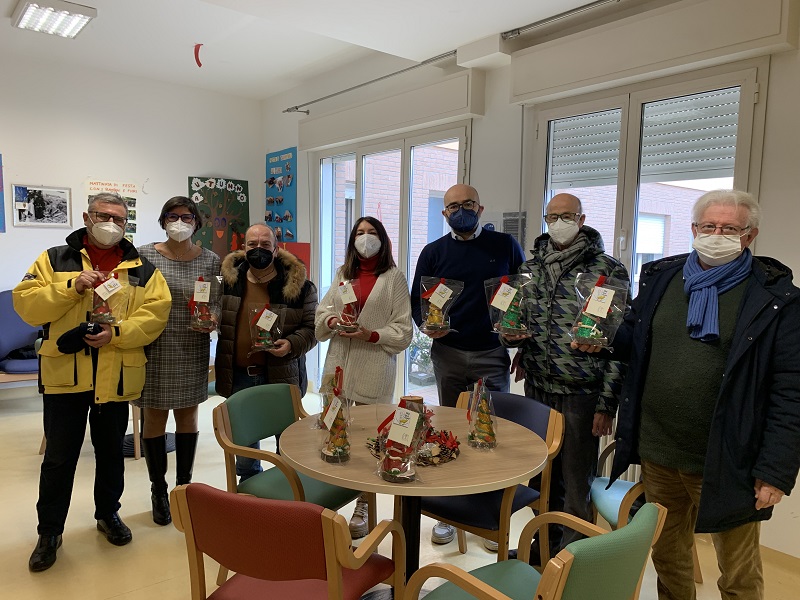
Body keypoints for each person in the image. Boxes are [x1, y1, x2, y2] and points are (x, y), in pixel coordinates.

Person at [579, 190, 800, 600]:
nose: (717, 235)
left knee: (737, 572)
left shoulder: (774, 298)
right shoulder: (664, 278)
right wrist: (601, 337)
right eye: (709, 226)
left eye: (730, 228)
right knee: (668, 555)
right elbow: (635, 340)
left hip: (728, 460)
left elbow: (791, 391)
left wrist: (775, 470)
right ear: (694, 229)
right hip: (659, 450)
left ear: (749, 235)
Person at [14, 193, 171, 572]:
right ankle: (49, 532)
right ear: (87, 217)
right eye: (104, 216)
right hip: (65, 378)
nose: (111, 224)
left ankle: (108, 514)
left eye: (119, 219)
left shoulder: (143, 269)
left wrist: (116, 334)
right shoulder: (55, 260)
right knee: (59, 458)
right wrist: (72, 287)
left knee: (111, 454)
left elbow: (156, 314)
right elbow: (26, 305)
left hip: (115, 377)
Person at [500, 193, 628, 555]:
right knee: (542, 478)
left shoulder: (607, 269)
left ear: (582, 219)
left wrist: (607, 403)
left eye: (567, 216)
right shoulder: (530, 268)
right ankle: (543, 547)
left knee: (575, 483)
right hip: (538, 389)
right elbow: (515, 321)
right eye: (552, 217)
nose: (559, 223)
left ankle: (571, 560)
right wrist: (509, 338)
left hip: (581, 393)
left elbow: (620, 345)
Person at [411, 183, 525, 545]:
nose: (461, 211)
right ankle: (450, 508)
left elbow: (523, 293)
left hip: (491, 353)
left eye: (468, 204)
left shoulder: (504, 245)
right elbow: (417, 301)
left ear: (480, 208)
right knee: (450, 429)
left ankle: (491, 513)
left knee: (490, 433)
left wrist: (519, 337)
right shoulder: (433, 252)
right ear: (445, 213)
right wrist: (428, 326)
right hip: (448, 352)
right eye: (454, 206)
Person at [315, 216, 413, 538]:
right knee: (335, 435)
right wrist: (332, 322)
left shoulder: (394, 278)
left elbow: (403, 330)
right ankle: (329, 499)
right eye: (360, 232)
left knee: (369, 441)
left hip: (374, 367)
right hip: (338, 367)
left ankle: (363, 505)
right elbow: (323, 311)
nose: (365, 238)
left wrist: (371, 334)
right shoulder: (343, 274)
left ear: (382, 239)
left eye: (372, 233)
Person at [133, 196, 221, 526]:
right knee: (154, 417)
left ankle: (184, 488)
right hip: (153, 347)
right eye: (172, 216)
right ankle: (158, 489)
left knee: (188, 415)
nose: (179, 222)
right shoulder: (144, 254)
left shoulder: (211, 260)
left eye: (186, 217)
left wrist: (213, 317)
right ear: (162, 221)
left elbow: (216, 299)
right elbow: (132, 298)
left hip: (191, 344)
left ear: (197, 222)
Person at [215, 223, 317, 481]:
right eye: (252, 244)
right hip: (239, 376)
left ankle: (287, 488)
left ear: (276, 249)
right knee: (244, 447)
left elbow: (312, 328)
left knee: (287, 443)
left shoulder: (299, 286)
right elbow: (215, 315)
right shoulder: (228, 282)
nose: (258, 249)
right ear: (243, 247)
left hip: (281, 376)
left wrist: (291, 344)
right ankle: (250, 489)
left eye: (264, 244)